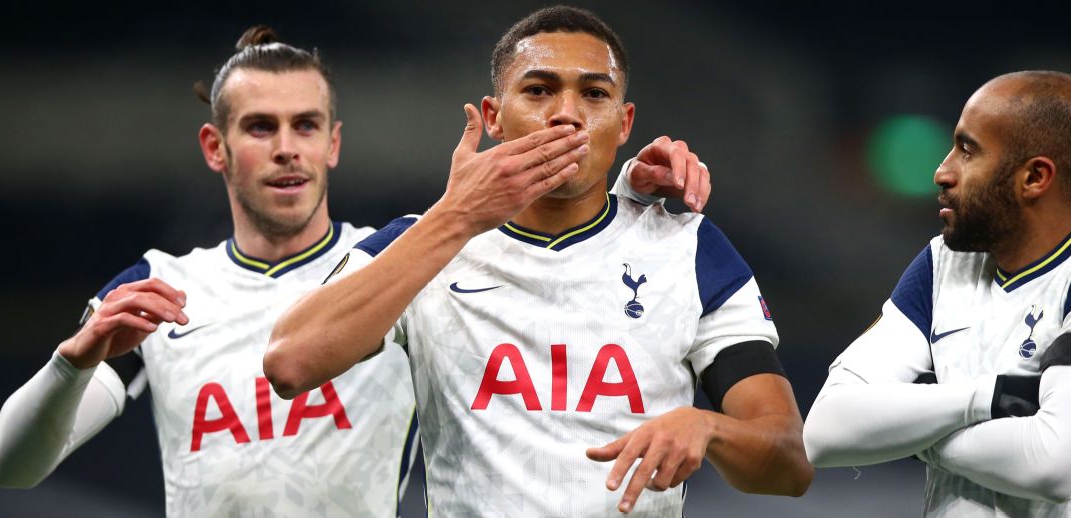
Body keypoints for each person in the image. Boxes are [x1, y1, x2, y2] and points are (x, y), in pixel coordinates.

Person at [0, 25, 700, 517]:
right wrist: (70, 364)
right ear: (215, 145)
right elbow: (11, 469)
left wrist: (625, 195)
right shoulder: (165, 284)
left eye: (305, 126)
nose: (286, 148)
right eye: (260, 127)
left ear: (334, 144)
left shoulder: (402, 268)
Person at [265, 6, 813, 517]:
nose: (567, 116)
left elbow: (788, 463)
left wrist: (708, 428)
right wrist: (456, 218)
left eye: (593, 94)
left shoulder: (688, 249)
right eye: (539, 90)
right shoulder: (424, 243)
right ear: (493, 116)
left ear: (624, 125)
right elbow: (291, 363)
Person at [803, 70, 1071, 517]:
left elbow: (1052, 464)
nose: (942, 171)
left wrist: (911, 426)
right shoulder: (942, 265)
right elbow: (825, 431)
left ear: (1035, 177)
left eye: (967, 150)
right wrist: (989, 397)